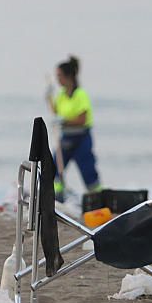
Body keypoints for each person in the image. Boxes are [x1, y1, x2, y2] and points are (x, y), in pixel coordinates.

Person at [47, 55, 100, 202]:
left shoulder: (80, 94)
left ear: (68, 76)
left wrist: (64, 122)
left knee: (88, 172)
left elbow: (82, 119)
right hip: (66, 138)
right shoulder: (62, 95)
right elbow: (56, 111)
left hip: (81, 138)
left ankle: (97, 200)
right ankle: (57, 197)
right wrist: (48, 97)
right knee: (54, 167)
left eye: (59, 76)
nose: (58, 79)